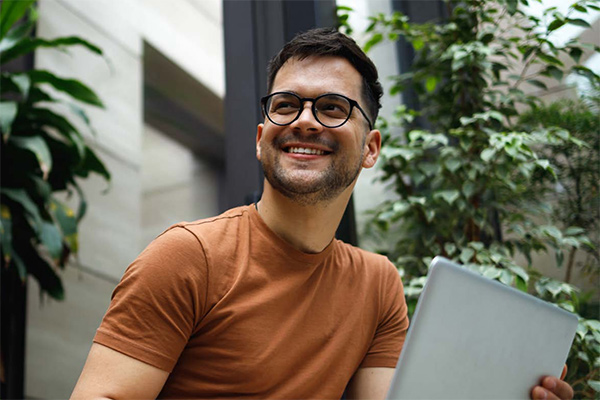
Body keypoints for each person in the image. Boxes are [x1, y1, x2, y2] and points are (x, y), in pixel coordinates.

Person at [71, 28, 574, 400]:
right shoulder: (188, 256)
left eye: (333, 108)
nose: (305, 121)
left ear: (371, 148)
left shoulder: (378, 284)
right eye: (286, 105)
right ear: (260, 138)